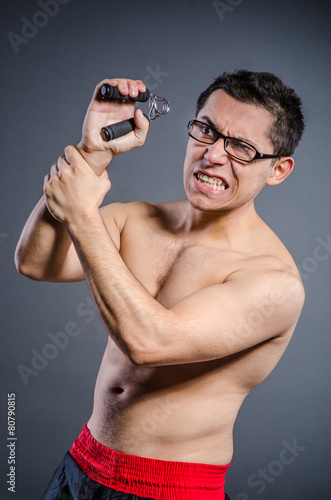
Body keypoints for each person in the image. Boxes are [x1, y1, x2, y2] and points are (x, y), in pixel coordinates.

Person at [15, 70, 305, 500]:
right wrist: (93, 154)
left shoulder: (273, 282)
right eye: (206, 130)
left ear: (278, 169)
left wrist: (82, 216)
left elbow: (150, 342)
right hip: (80, 466)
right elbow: (35, 261)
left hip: (168, 490)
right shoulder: (138, 219)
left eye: (241, 148)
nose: (213, 156)